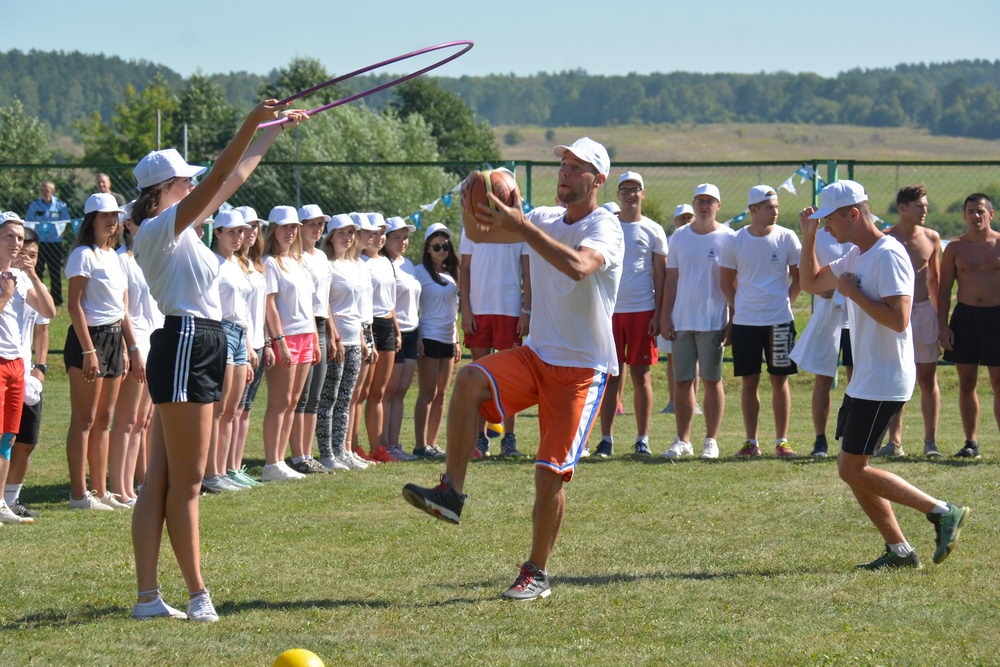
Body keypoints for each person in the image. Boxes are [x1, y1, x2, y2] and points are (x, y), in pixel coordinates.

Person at [403, 137, 623, 601]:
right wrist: (475, 198)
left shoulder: (607, 226)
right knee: (469, 380)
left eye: (577, 167)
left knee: (548, 475)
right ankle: (451, 494)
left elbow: (579, 266)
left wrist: (521, 226)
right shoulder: (541, 219)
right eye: (563, 163)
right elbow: (482, 235)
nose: (565, 172)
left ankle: (536, 572)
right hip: (538, 354)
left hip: (582, 369)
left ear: (597, 180)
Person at [130, 101, 306, 623]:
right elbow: (223, 175)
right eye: (185, 180)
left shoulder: (178, 226)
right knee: (186, 482)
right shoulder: (161, 226)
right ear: (165, 189)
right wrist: (252, 120)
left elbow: (234, 175)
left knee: (162, 478)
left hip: (195, 342)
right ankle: (197, 595)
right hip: (187, 340)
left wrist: (270, 131)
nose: (193, 184)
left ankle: (148, 600)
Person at [799, 179, 969, 570]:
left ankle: (944, 511)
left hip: (886, 378)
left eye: (830, 221)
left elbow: (898, 319)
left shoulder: (889, 254)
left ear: (853, 214)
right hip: (867, 377)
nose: (828, 228)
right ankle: (899, 551)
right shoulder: (855, 255)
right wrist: (808, 238)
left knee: (851, 467)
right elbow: (811, 283)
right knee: (852, 467)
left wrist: (854, 294)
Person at [64, 193, 138, 511]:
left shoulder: (116, 257)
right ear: (91, 219)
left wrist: (126, 346)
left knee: (105, 420)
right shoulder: (83, 255)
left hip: (112, 340)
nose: (112, 220)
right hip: (88, 341)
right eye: (105, 215)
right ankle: (79, 495)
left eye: (115, 215)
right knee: (84, 419)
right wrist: (89, 350)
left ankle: (101, 490)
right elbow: (74, 304)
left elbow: (121, 309)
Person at [720, 185, 801, 458]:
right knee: (749, 381)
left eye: (776, 207)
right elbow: (725, 282)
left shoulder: (788, 237)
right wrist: (738, 307)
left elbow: (798, 277)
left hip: (779, 321)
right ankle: (751, 442)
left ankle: (782, 441)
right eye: (769, 207)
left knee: (780, 380)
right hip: (745, 323)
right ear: (753, 210)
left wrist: (787, 300)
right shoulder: (735, 240)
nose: (775, 212)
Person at [659, 184, 735, 459]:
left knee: (712, 380)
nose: (704, 205)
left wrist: (732, 319)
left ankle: (711, 440)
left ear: (718, 205)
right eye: (700, 201)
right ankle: (683, 439)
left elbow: (734, 282)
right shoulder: (679, 236)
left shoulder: (729, 237)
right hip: (681, 321)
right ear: (694, 203)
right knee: (683, 381)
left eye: (710, 201)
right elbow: (671, 279)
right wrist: (665, 315)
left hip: (714, 320)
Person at [593, 171, 666, 458]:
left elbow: (660, 276)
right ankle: (606, 439)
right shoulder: (607, 226)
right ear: (618, 195)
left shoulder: (653, 230)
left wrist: (659, 314)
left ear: (642, 194)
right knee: (610, 376)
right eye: (624, 189)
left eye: (635, 189)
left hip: (641, 311)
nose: (629, 194)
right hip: (609, 312)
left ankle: (642, 438)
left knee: (641, 376)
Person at [459, 174, 531, 459]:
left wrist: (527, 310)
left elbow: (528, 273)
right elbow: (464, 271)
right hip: (480, 311)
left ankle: (509, 438)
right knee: (479, 376)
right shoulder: (471, 228)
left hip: (510, 311)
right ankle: (481, 438)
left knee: (509, 380)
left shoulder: (519, 229)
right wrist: (466, 309)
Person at [878, 185, 942, 458]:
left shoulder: (932, 237)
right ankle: (895, 442)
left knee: (927, 377)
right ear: (903, 208)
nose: (924, 210)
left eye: (925, 205)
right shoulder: (885, 238)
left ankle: (930, 443)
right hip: (895, 313)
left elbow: (936, 281)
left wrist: (941, 320)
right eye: (919, 206)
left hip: (924, 311)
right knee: (895, 376)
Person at [0, 212, 55, 525]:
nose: (16, 243)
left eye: (19, 238)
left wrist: (32, 275)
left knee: (9, 436)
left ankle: (1, 503)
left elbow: (48, 311)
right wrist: (5, 297)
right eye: (9, 236)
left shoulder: (20, 279)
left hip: (16, 365)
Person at [261, 205, 321, 481]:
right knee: (280, 401)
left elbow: (308, 304)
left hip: (307, 335)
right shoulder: (270, 262)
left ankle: (281, 460)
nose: (290, 232)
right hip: (286, 337)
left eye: (294, 227)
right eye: (285, 227)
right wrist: (279, 340)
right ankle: (272, 462)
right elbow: (269, 304)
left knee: (294, 400)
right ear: (273, 229)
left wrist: (314, 340)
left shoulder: (299, 262)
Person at [108, 203, 162, 506]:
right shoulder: (122, 260)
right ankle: (120, 486)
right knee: (127, 420)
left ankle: (136, 483)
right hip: (137, 342)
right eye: (142, 221)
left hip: (154, 340)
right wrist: (133, 348)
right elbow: (124, 310)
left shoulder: (151, 256)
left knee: (144, 420)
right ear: (128, 225)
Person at [937, 193, 998, 459]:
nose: (976, 216)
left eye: (981, 211)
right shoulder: (954, 248)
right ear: (964, 215)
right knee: (966, 382)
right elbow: (943, 289)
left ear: (991, 214)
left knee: (999, 382)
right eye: (971, 211)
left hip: (997, 317)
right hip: (965, 318)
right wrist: (943, 326)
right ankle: (971, 442)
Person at [789, 226, 854, 457]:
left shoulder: (857, 233)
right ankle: (820, 440)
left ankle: (852, 437)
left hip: (857, 317)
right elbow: (808, 273)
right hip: (827, 317)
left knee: (855, 380)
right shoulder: (818, 234)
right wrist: (821, 285)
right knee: (823, 379)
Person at [203, 209, 256, 493]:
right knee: (218, 408)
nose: (238, 237)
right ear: (218, 233)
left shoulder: (237, 263)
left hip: (239, 335)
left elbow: (243, 310)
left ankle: (221, 471)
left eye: (240, 232)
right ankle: (210, 473)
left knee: (231, 410)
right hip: (220, 332)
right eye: (232, 231)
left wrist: (247, 348)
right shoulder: (212, 263)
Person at [288, 204, 342, 474]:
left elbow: (325, 299)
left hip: (320, 324)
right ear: (299, 227)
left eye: (321, 224)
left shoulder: (320, 256)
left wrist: (332, 333)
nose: (318, 229)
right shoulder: (294, 257)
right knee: (300, 394)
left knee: (315, 396)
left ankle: (307, 454)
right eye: (312, 224)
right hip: (302, 326)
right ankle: (297, 456)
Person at [317, 213, 369, 471]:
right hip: (335, 339)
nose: (347, 238)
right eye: (342, 233)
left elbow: (357, 309)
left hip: (353, 338)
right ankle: (327, 453)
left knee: (346, 397)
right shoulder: (327, 265)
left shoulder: (353, 266)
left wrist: (361, 339)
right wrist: (333, 335)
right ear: (331, 236)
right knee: (329, 397)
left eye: (351, 233)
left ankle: (342, 449)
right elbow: (324, 305)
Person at [413, 223, 462, 458]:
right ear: (427, 248)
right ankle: (420, 445)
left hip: (448, 337)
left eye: (445, 245)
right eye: (436, 246)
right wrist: (419, 336)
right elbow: (413, 306)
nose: (442, 250)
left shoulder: (451, 273)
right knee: (428, 392)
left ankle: (433, 443)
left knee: (442, 393)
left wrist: (457, 340)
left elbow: (454, 311)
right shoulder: (418, 272)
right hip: (429, 334)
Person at [229, 206, 269, 485]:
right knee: (232, 409)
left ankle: (236, 465)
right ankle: (225, 467)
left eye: (255, 227)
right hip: (243, 344)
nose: (252, 232)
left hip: (258, 342)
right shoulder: (235, 265)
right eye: (246, 227)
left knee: (245, 410)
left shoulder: (257, 264)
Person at [382, 216, 421, 460]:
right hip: (393, 332)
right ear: (385, 239)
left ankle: (395, 444)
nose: (402, 242)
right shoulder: (383, 265)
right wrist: (396, 330)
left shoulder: (409, 265)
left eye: (405, 237)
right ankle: (383, 443)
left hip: (412, 331)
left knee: (401, 391)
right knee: (389, 390)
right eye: (396, 237)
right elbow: (388, 303)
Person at [658, 204, 700, 416]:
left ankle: (695, 400)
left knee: (696, 357)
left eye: (688, 217)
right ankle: (674, 400)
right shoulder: (670, 242)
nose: (685, 221)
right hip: (673, 306)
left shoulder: (701, 240)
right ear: (674, 221)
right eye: (681, 218)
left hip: (694, 307)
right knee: (673, 356)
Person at [24, 180, 71, 306]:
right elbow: (28, 222)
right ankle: (37, 297)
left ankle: (57, 300)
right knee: (37, 271)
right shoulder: (34, 206)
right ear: (40, 191)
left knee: (55, 272)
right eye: (43, 189)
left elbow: (66, 221)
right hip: (38, 243)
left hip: (55, 243)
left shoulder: (61, 206)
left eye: (48, 189)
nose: (46, 192)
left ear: (53, 191)